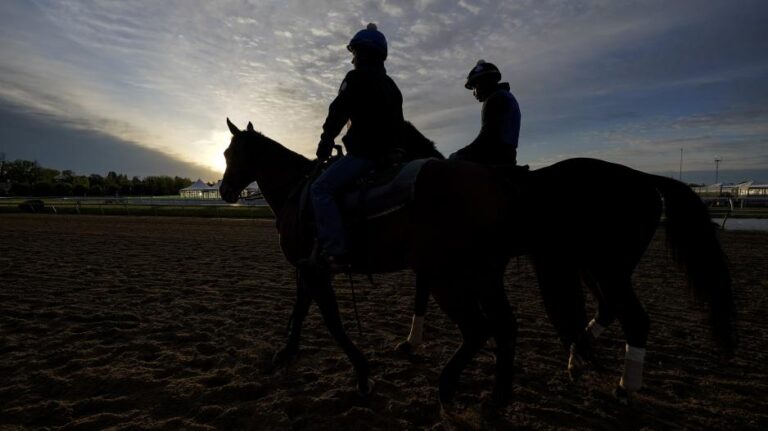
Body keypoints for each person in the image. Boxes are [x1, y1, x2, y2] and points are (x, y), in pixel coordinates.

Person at [310, 23, 404, 270]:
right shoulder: (392, 86)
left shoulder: (355, 78)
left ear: (362, 53)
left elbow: (337, 113)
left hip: (364, 154)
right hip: (391, 157)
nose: (352, 59)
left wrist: (325, 143)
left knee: (320, 189)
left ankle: (336, 250)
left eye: (354, 53)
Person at [450, 60, 521, 165]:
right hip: (507, 158)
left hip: (494, 160)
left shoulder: (495, 99)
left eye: (475, 87)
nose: (474, 93)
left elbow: (487, 139)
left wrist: (459, 154)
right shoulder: (505, 96)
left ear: (484, 83)